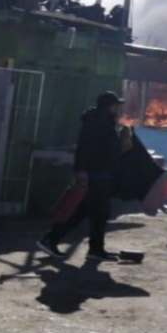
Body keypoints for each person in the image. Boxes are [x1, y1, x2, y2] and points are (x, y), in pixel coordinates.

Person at [37, 91, 125, 262]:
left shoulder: (103, 121)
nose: (117, 109)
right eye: (116, 105)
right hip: (97, 175)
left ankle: (54, 239)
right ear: (109, 106)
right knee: (97, 213)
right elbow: (85, 147)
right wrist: (81, 170)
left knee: (83, 212)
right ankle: (93, 248)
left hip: (100, 174)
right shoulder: (97, 122)